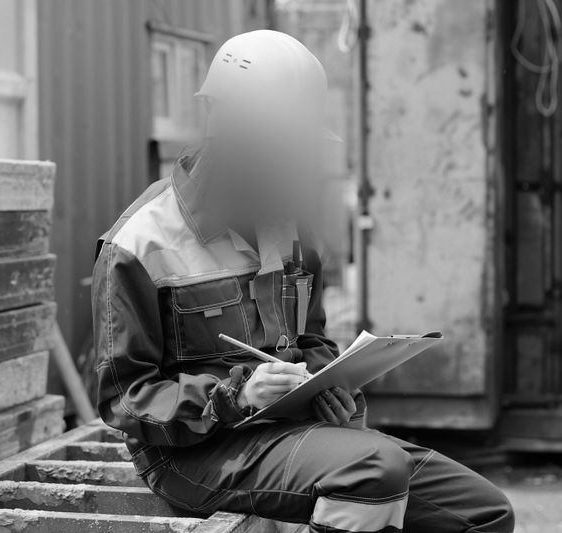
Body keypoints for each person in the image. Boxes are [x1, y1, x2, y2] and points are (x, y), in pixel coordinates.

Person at [91, 30, 514, 533]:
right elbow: (124, 398)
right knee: (374, 468)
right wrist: (239, 394)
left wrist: (325, 388)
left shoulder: (290, 226)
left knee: (483, 513)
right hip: (191, 454)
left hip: (290, 430)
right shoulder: (139, 243)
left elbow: (310, 341)